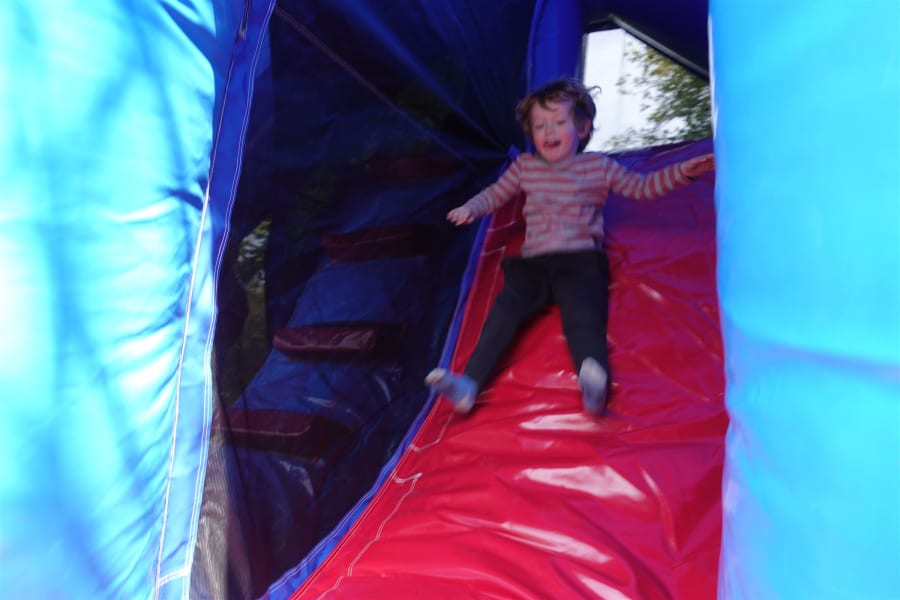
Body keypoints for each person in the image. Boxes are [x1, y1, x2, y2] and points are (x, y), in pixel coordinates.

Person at [425, 77, 715, 416]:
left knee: (583, 318)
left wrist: (683, 171)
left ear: (582, 127)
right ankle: (469, 385)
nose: (548, 132)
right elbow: (494, 194)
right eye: (540, 126)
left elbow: (642, 187)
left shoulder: (597, 167)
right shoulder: (525, 167)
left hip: (579, 262)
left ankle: (594, 384)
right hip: (532, 265)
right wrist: (470, 208)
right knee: (502, 315)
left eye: (559, 123)